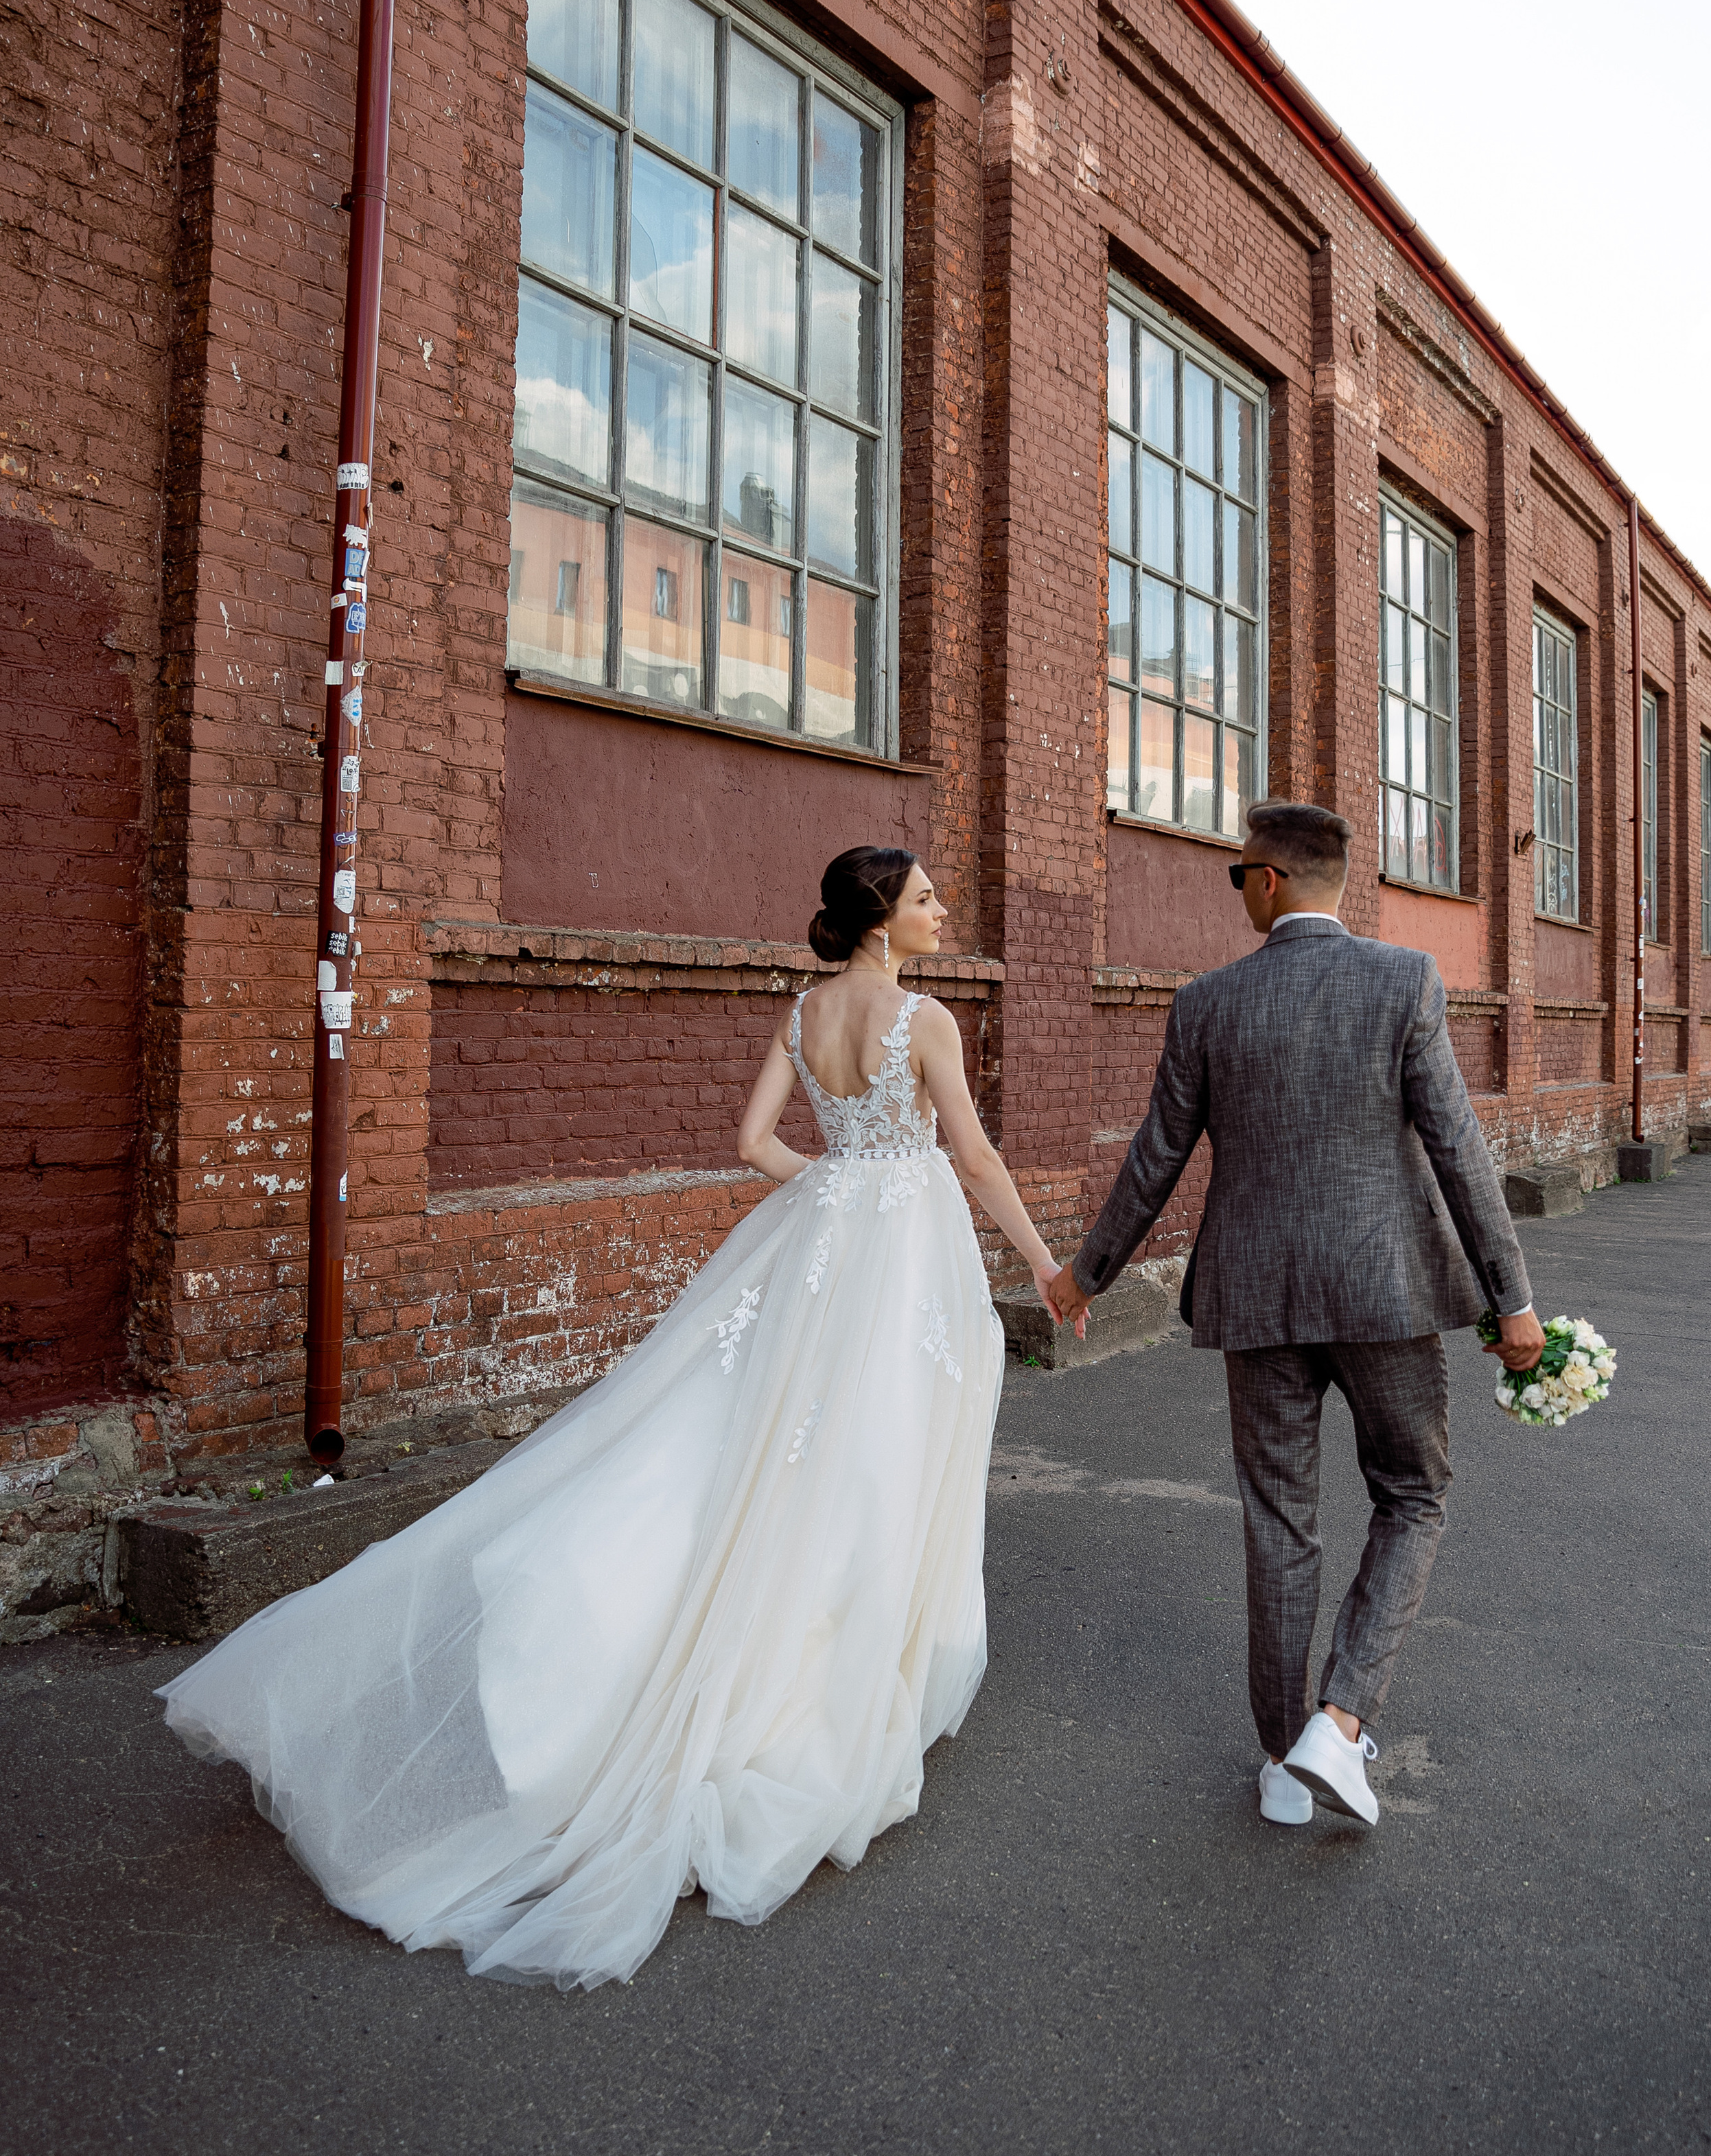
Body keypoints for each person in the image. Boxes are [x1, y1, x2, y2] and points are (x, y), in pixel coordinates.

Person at [158, 847, 1063, 1989]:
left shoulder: (803, 1012)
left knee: (762, 1448)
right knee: (872, 1458)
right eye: (926, 896)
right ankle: (826, 1677)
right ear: (883, 918)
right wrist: (1046, 1266)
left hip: (826, 1252)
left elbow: (752, 1146)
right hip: (898, 1269)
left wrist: (837, 1194)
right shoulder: (925, 1018)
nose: (941, 910)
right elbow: (972, 1155)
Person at [1043, 799, 1543, 1830]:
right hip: (1384, 1291)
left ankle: (1281, 1760)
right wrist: (1514, 1298)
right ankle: (1341, 1719)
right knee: (1412, 1493)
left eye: (1238, 876)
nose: (1239, 891)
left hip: (1257, 1295)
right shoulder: (1403, 979)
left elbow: (1155, 1158)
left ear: (1268, 882)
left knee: (1280, 1522)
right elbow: (1457, 1145)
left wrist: (1085, 1276)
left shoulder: (1207, 1003)